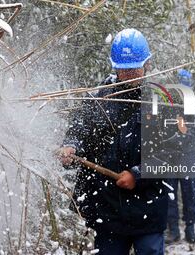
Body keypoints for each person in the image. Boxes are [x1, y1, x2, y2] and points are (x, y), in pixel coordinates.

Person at [59, 28, 168, 255]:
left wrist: (137, 174)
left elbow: (170, 154)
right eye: (122, 70)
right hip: (108, 209)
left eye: (133, 69)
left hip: (148, 207)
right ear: (114, 66)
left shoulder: (160, 101)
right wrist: (71, 146)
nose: (128, 75)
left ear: (147, 64)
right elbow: (79, 129)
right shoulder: (99, 98)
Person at [165, 70, 195, 244]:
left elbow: (194, 130)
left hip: (189, 155)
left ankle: (190, 228)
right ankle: (173, 230)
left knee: (190, 192)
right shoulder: (168, 104)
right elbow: (162, 128)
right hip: (170, 156)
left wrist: (180, 136)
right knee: (169, 192)